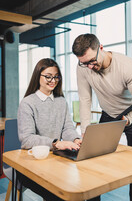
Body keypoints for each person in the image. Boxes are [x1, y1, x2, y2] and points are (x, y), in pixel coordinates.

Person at [72, 33, 132, 201]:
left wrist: (129, 118)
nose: (89, 67)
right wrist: (85, 132)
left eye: (92, 61)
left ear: (101, 48)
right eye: (84, 63)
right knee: (91, 159)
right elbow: (85, 100)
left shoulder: (127, 66)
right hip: (108, 114)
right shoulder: (83, 67)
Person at [17, 58, 82, 201]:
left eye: (56, 76)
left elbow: (67, 128)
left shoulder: (61, 101)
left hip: (57, 159)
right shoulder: (27, 103)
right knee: (59, 195)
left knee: (85, 188)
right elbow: (27, 139)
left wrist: (75, 139)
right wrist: (56, 143)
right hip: (32, 164)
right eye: (48, 76)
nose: (53, 80)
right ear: (37, 76)